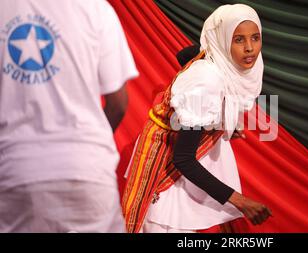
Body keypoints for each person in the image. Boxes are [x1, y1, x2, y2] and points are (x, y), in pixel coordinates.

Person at [121, 4, 272, 233]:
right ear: (222, 40)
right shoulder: (207, 80)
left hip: (185, 160)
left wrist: (219, 121)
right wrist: (241, 201)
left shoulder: (217, 56)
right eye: (238, 40)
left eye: (255, 38)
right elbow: (183, 159)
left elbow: (185, 55)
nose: (250, 48)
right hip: (166, 166)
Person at [0, 0, 138, 232]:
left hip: (17, 167)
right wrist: (89, 143)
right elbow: (118, 102)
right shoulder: (95, 8)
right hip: (88, 167)